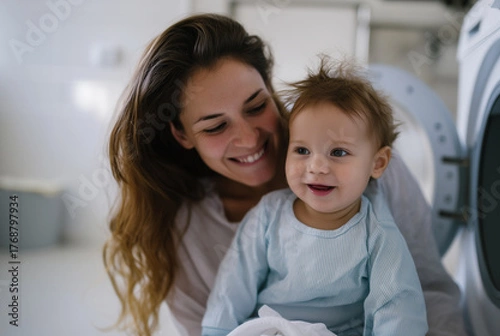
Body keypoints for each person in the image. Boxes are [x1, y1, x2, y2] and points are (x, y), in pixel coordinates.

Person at [103, 13, 467, 336]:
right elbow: (215, 317)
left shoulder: (365, 173)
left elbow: (423, 289)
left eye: (257, 106)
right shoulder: (189, 233)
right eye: (215, 127)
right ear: (181, 134)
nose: (248, 139)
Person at [201, 58, 428, 336]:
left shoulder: (376, 232)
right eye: (302, 151)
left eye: (338, 153)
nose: (317, 167)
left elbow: (396, 304)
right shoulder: (269, 215)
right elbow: (233, 285)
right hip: (272, 328)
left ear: (377, 164)